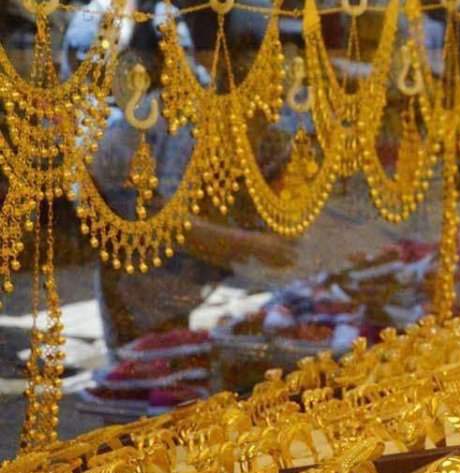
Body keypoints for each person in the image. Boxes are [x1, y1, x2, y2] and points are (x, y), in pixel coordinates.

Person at [63, 0, 295, 355]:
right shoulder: (183, 120)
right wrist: (252, 245)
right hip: (136, 261)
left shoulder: (204, 116)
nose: (276, 106)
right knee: (143, 360)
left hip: (153, 260)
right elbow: (168, 223)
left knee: (165, 354)